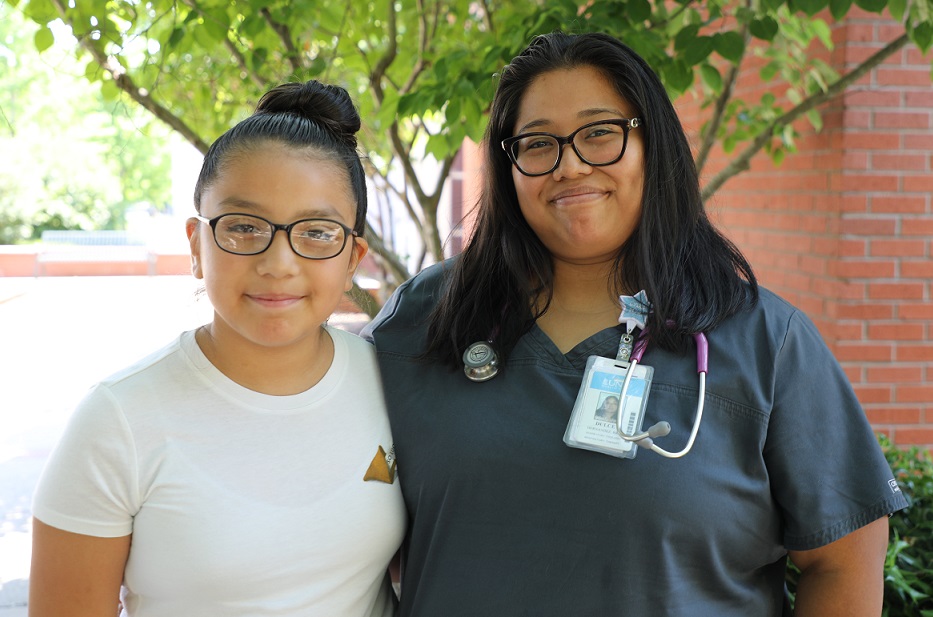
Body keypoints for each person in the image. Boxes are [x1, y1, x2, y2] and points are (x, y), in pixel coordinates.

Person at [362, 32, 907, 616]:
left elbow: (844, 559)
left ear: (654, 144)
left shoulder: (765, 342)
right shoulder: (425, 318)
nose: (568, 165)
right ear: (508, 163)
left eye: (600, 133)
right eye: (538, 143)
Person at [29, 80, 405, 616]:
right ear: (196, 245)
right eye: (244, 227)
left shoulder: (395, 384)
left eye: (317, 232)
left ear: (353, 258)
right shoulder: (118, 421)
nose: (278, 263)